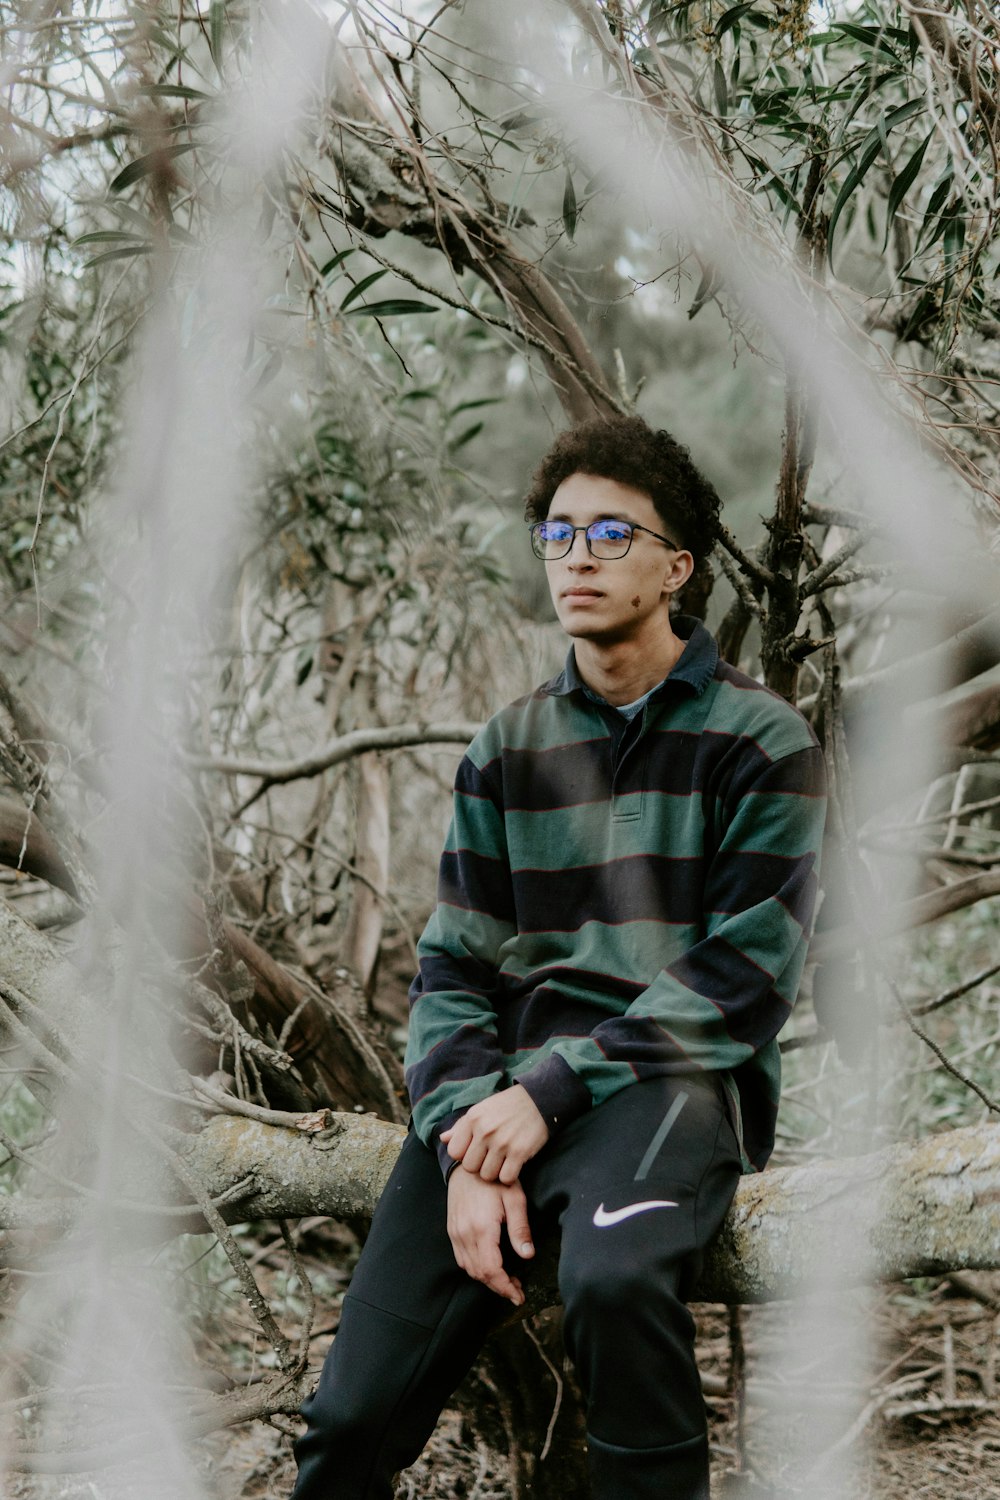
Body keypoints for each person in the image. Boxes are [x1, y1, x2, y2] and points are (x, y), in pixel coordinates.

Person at [290, 414, 828, 1500]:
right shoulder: (508, 748)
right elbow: (451, 973)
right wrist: (460, 1144)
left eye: (611, 533)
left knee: (617, 1282)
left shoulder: (762, 739)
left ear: (677, 566)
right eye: (556, 532)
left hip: (665, 1084)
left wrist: (548, 1092)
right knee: (348, 1418)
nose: (576, 555)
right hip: (500, 1101)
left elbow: (746, 975)